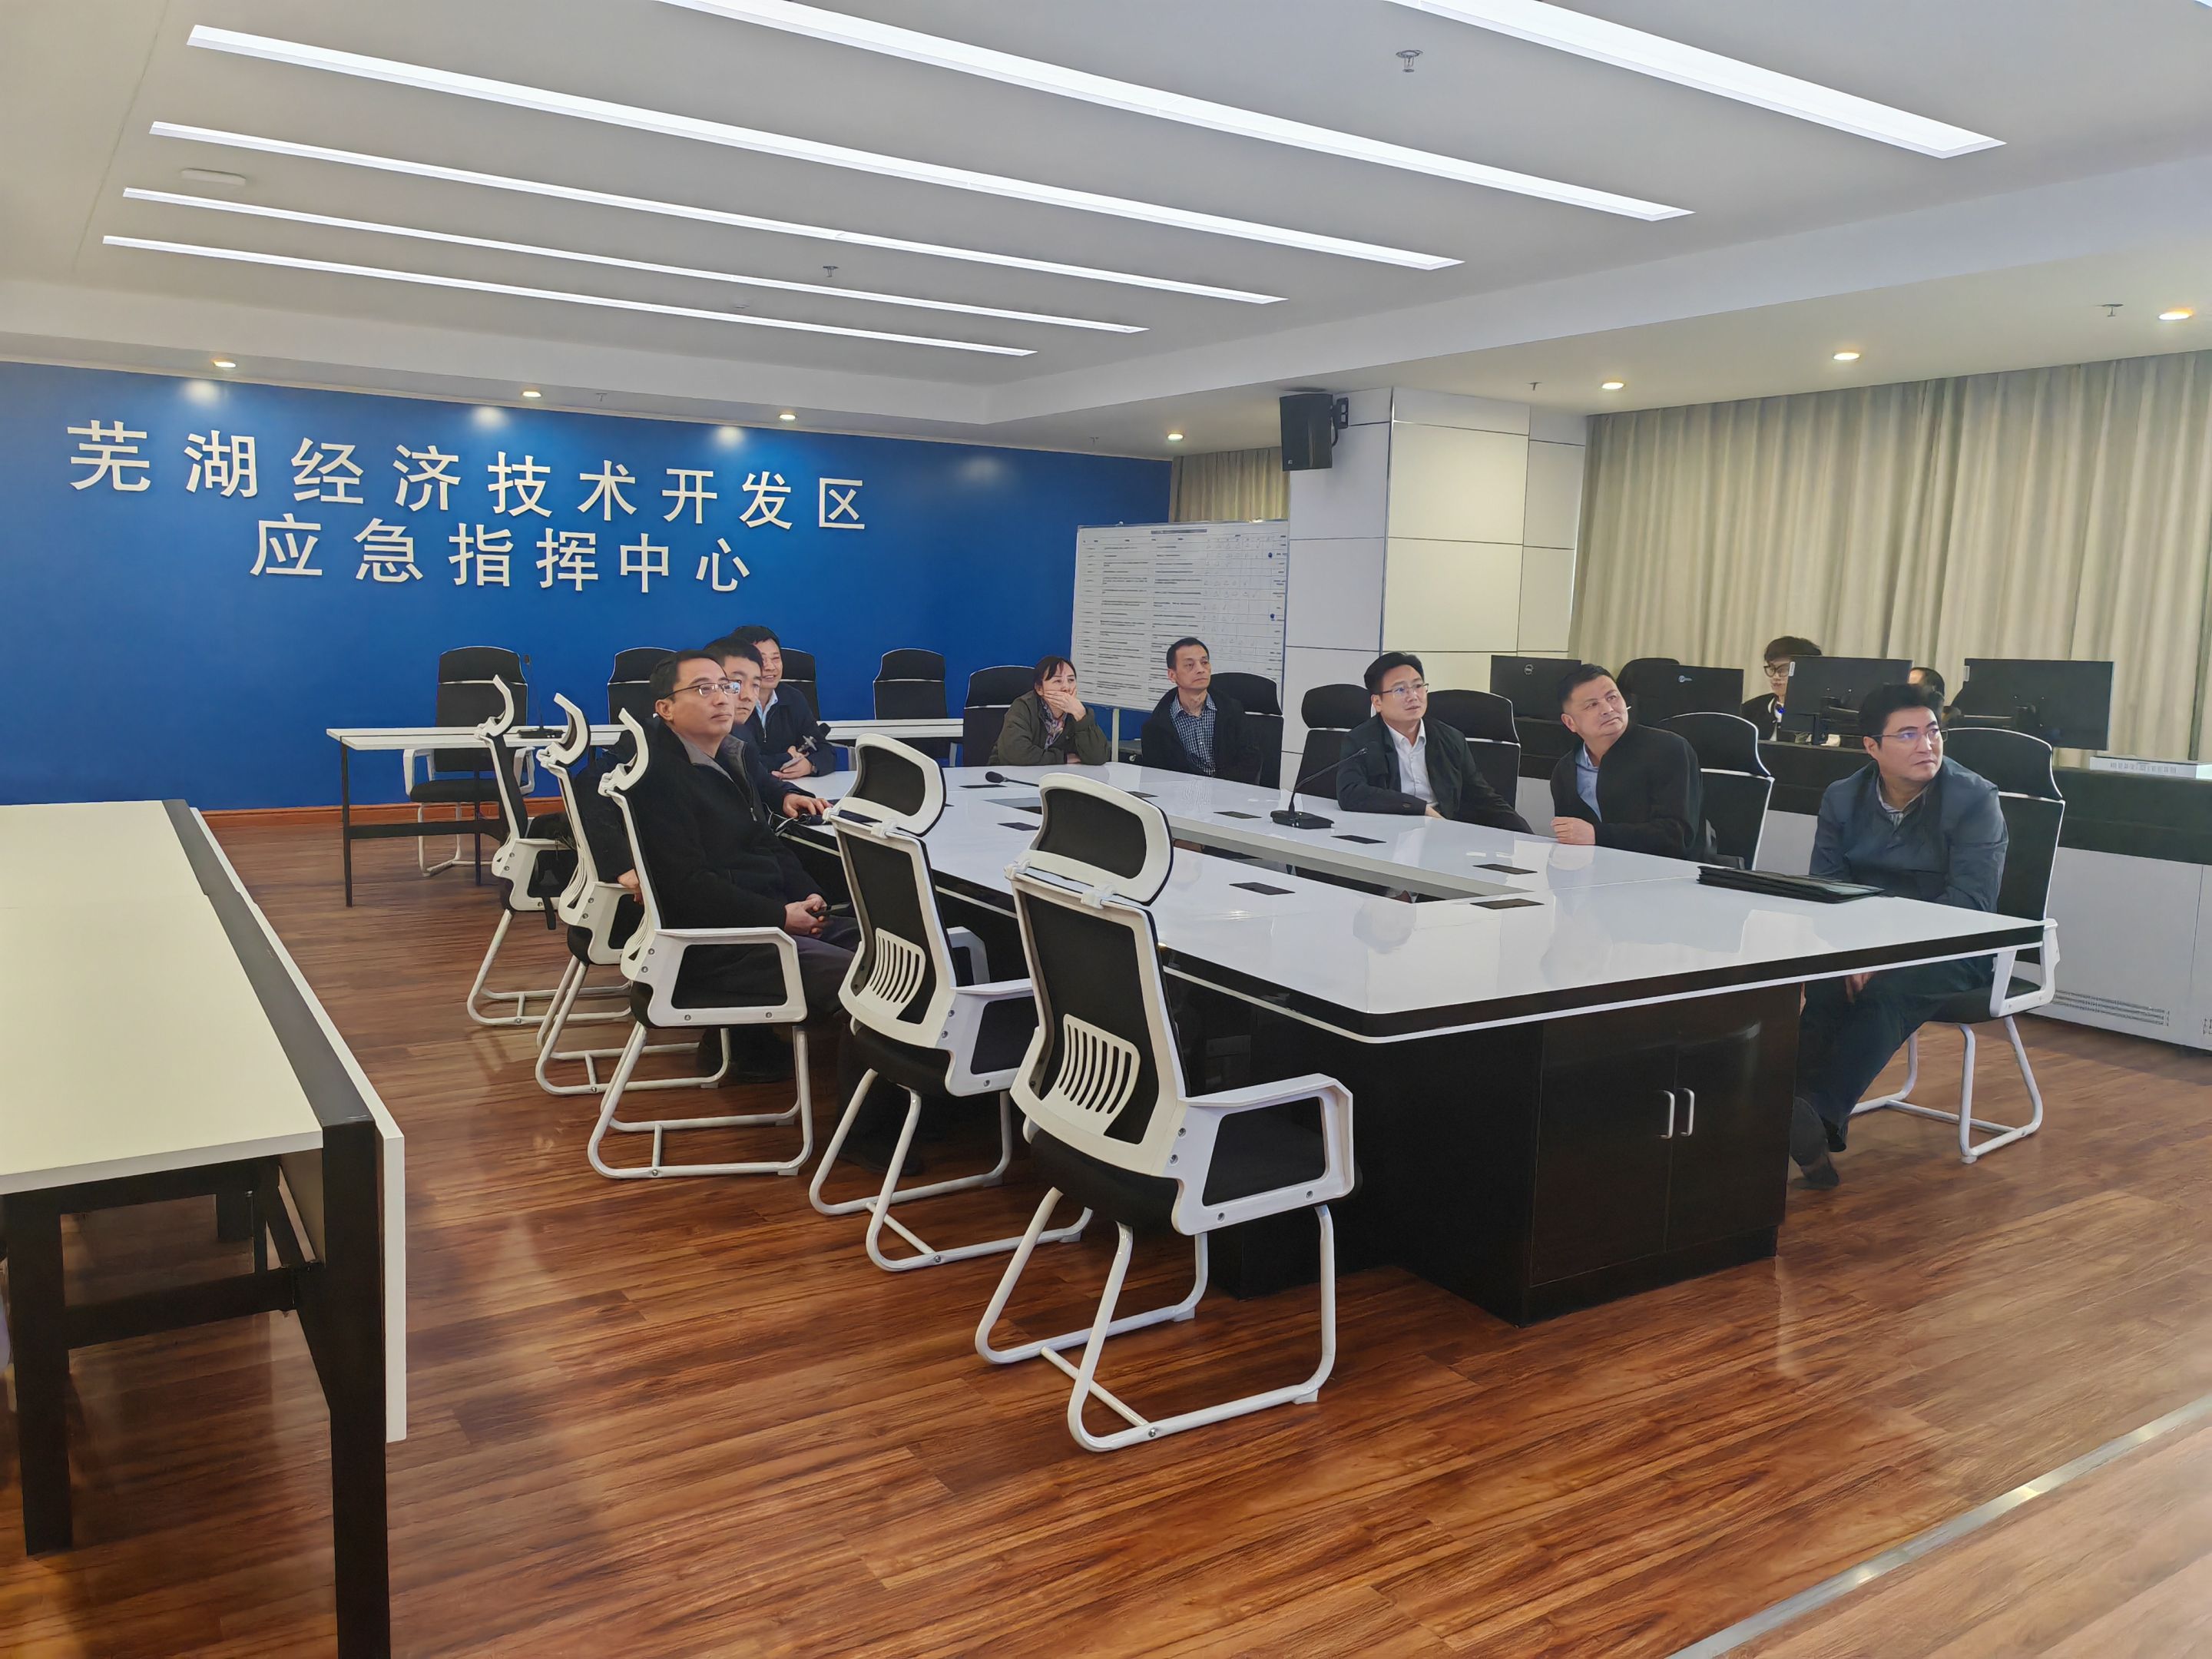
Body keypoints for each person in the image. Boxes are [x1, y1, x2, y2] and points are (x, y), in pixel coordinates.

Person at [1788, 682, 2008, 1189]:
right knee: (1825, 985)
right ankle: (1790, 1113)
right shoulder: (1843, 797)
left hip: (1956, 946)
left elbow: (1971, 904)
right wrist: (1853, 953)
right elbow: (1828, 888)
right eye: (1907, 735)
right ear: (1872, 746)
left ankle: (1814, 1118)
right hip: (1865, 944)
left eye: (1933, 731)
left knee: (1887, 991)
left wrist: (1886, 955)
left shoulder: (1974, 799)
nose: (1926, 745)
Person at [1336, 651, 1531, 830]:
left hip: (1443, 832)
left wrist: (1526, 835)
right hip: (1387, 831)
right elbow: (1350, 793)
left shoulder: (1450, 739)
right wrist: (1419, 808)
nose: (1413, 696)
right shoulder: (1361, 741)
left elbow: (1482, 797)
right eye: (1400, 690)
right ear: (1377, 702)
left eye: (1418, 686)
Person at [1548, 664, 1710, 859]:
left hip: (1668, 872)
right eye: (1592, 705)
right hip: (1596, 873)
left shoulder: (1669, 750)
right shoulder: (1566, 771)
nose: (1608, 709)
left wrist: (1597, 835)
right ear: (1570, 723)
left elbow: (1677, 836)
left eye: (1612, 697)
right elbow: (1571, 840)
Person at [706, 637, 830, 818]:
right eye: (735, 684)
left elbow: (759, 778)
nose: (748, 696)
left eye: (755, 684)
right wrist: (787, 757)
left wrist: (788, 796)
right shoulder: (676, 749)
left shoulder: (739, 732)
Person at [1139, 637, 1263, 783]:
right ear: (1172, 675)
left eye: (1204, 663)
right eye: (1189, 665)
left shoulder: (1232, 711)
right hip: (1181, 795)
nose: (1200, 670)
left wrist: (1215, 788)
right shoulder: (1156, 727)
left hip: (1230, 792)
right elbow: (1156, 780)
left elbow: (1251, 761)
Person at [727, 624, 830, 780]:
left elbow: (825, 749)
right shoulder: (730, 701)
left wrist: (810, 765)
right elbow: (738, 762)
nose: (770, 667)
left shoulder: (793, 698)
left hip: (793, 787)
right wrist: (786, 758)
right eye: (761, 659)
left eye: (776, 658)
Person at [992, 656, 1111, 766]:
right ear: (1039, 689)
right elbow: (1015, 754)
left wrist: (1081, 715)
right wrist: (1062, 758)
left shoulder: (1077, 712)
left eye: (1071, 680)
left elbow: (1098, 758)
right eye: (1058, 681)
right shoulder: (1023, 707)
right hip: (1009, 776)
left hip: (1058, 777)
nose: (1066, 688)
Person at [1744, 635, 1821, 740]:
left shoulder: (1823, 714)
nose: (1775, 676)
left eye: (1784, 669)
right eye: (1772, 668)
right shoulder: (1751, 709)